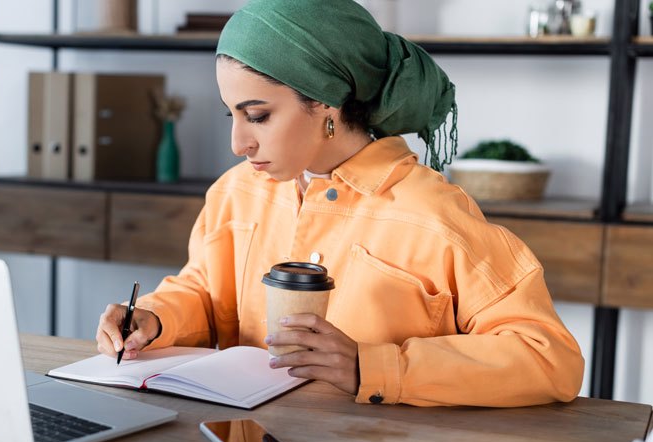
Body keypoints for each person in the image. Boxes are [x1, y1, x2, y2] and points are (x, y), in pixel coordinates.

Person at [96, 0, 584, 407]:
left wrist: (375, 367)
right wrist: (155, 320)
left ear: (326, 105)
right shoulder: (235, 193)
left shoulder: (432, 214)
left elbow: (548, 359)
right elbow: (204, 292)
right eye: (232, 114)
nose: (237, 142)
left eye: (259, 116)